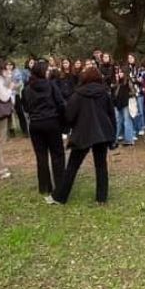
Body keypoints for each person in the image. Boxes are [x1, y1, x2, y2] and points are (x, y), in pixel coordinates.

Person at [52, 67, 116, 204]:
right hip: (102, 133)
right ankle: (101, 198)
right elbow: (111, 115)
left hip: (83, 133)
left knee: (73, 166)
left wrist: (68, 126)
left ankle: (60, 197)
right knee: (101, 166)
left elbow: (69, 116)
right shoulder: (104, 94)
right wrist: (112, 135)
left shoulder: (78, 95)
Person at [23, 60, 67, 201]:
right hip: (51, 122)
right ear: (42, 72)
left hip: (35, 124)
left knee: (41, 156)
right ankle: (60, 185)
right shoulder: (51, 85)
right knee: (57, 154)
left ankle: (45, 186)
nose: (49, 72)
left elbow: (25, 107)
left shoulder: (27, 89)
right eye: (47, 70)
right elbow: (60, 103)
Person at [111, 65, 136, 147]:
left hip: (126, 103)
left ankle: (129, 139)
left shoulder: (128, 81)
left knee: (127, 121)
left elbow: (133, 92)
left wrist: (127, 96)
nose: (119, 74)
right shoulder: (118, 82)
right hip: (118, 103)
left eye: (121, 72)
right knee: (118, 121)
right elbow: (115, 93)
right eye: (118, 72)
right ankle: (114, 138)